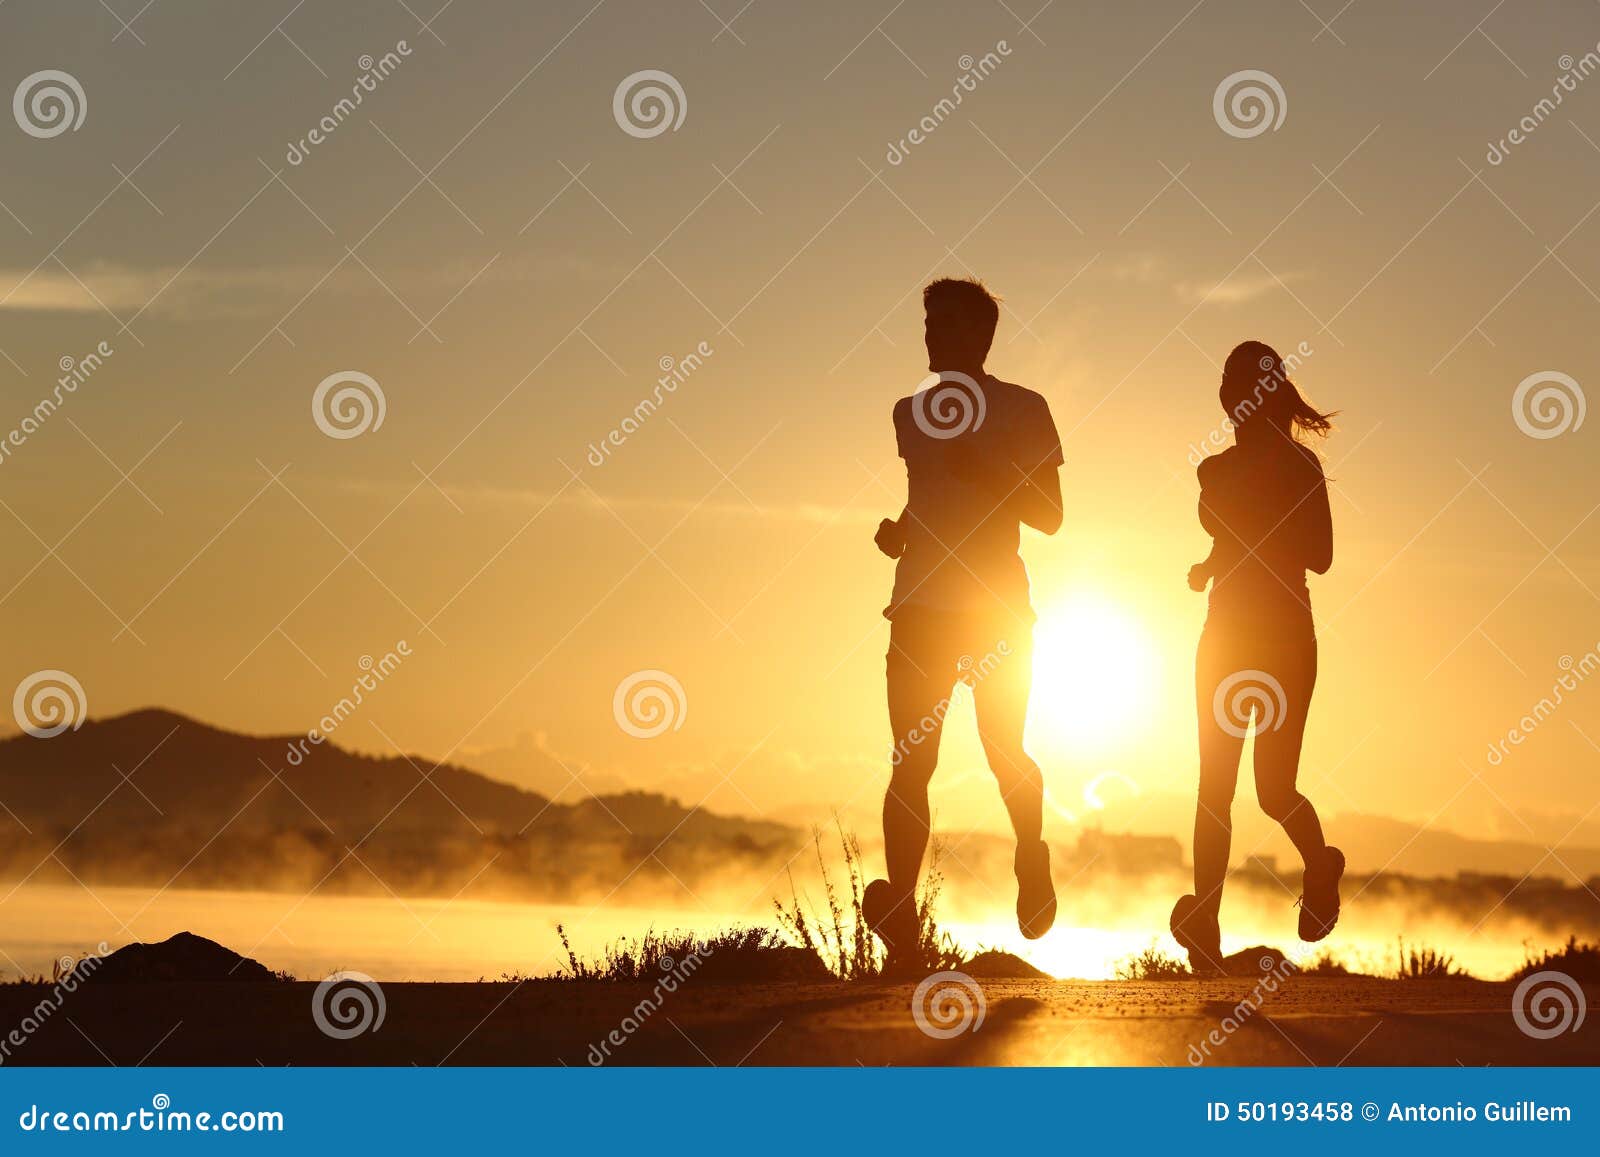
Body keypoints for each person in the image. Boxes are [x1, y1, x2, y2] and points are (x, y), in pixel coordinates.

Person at [864, 277, 1064, 971]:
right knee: (910, 762)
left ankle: (1031, 856)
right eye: (926, 323)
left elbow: (1050, 515)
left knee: (1003, 749)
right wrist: (902, 527)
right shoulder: (909, 412)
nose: (928, 336)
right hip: (918, 606)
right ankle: (904, 942)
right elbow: (934, 503)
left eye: (942, 325)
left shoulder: (1024, 408)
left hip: (995, 611)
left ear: (979, 337)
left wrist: (991, 470)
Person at [1170, 340, 1344, 975]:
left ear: (1265, 395)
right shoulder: (1212, 471)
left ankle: (1320, 867)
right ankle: (1206, 929)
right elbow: (1227, 547)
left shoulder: (1302, 468)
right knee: (1213, 787)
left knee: (1272, 789)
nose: (1231, 398)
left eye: (1241, 385)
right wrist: (1207, 566)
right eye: (1225, 385)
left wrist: (1259, 525)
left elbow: (1320, 557)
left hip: (1285, 640)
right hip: (1223, 635)